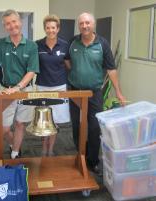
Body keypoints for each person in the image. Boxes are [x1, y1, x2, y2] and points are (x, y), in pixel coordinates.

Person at [68, 12, 126, 175]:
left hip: (94, 93)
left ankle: (93, 160)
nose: (84, 26)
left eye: (87, 23)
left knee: (94, 127)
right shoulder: (73, 41)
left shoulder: (102, 44)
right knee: (76, 126)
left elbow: (111, 69)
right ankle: (81, 154)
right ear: (79, 26)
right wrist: (74, 72)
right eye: (81, 23)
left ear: (93, 25)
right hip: (74, 92)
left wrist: (119, 92)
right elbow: (66, 59)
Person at [0, 9, 39, 159]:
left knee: (20, 124)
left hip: (25, 91)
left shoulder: (31, 46)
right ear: (5, 27)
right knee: (3, 129)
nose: (12, 26)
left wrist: (18, 87)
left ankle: (15, 152)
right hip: (6, 91)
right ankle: (13, 143)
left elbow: (31, 71)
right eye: (8, 24)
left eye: (14, 21)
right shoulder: (0, 44)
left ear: (20, 22)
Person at [35, 14, 70, 157]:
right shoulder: (37, 45)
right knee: (43, 121)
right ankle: (44, 148)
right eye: (48, 28)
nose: (51, 30)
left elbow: (69, 65)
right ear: (45, 29)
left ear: (58, 28)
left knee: (55, 121)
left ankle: (50, 149)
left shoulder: (64, 45)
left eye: (53, 28)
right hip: (42, 87)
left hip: (59, 87)